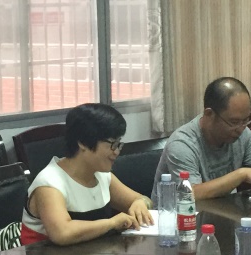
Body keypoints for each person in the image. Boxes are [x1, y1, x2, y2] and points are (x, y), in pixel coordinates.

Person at [15, 103, 154, 247]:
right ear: (83, 143)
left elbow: (143, 199)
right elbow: (62, 233)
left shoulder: (101, 175)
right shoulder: (49, 183)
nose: (117, 151)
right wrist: (112, 223)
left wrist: (140, 203)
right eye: (112, 144)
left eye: (119, 144)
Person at [155, 77, 251, 199]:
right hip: (179, 219)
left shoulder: (242, 132)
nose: (241, 128)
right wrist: (241, 174)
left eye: (246, 120)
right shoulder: (182, 144)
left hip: (223, 214)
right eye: (234, 122)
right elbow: (191, 194)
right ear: (209, 114)